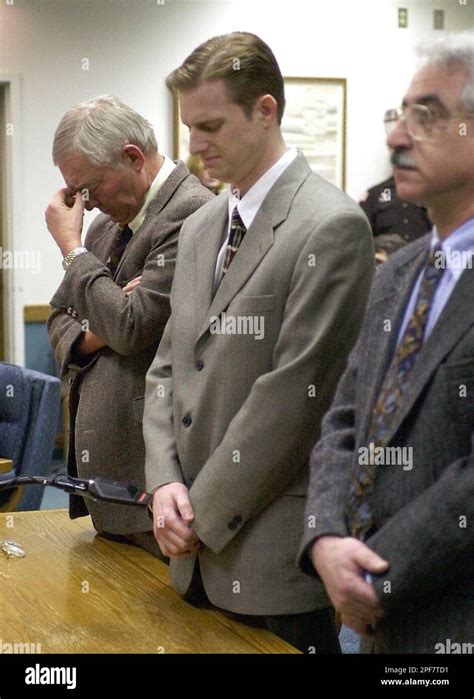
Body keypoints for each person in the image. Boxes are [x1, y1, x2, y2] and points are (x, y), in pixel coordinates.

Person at [143, 31, 374, 653]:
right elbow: (166, 367)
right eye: (189, 128)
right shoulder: (199, 229)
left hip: (270, 564)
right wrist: (164, 482)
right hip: (186, 553)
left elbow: (292, 401)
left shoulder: (332, 226)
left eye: (211, 125)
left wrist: (199, 516)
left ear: (265, 110)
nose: (195, 147)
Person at [299, 32, 474, 653]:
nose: (396, 136)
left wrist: (375, 575)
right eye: (401, 115)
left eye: (426, 116)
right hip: (372, 627)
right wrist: (323, 538)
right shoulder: (397, 273)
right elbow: (344, 419)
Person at [45, 96, 212, 556]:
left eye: (89, 186)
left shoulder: (192, 212)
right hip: (109, 492)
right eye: (76, 193)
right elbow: (59, 318)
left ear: (133, 157)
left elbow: (133, 328)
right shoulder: (104, 227)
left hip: (155, 484)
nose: (86, 202)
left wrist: (72, 252)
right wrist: (98, 326)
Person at [360, 172, 431, 244]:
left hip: (423, 252)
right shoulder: (375, 194)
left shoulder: (430, 193)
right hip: (387, 253)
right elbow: (362, 235)